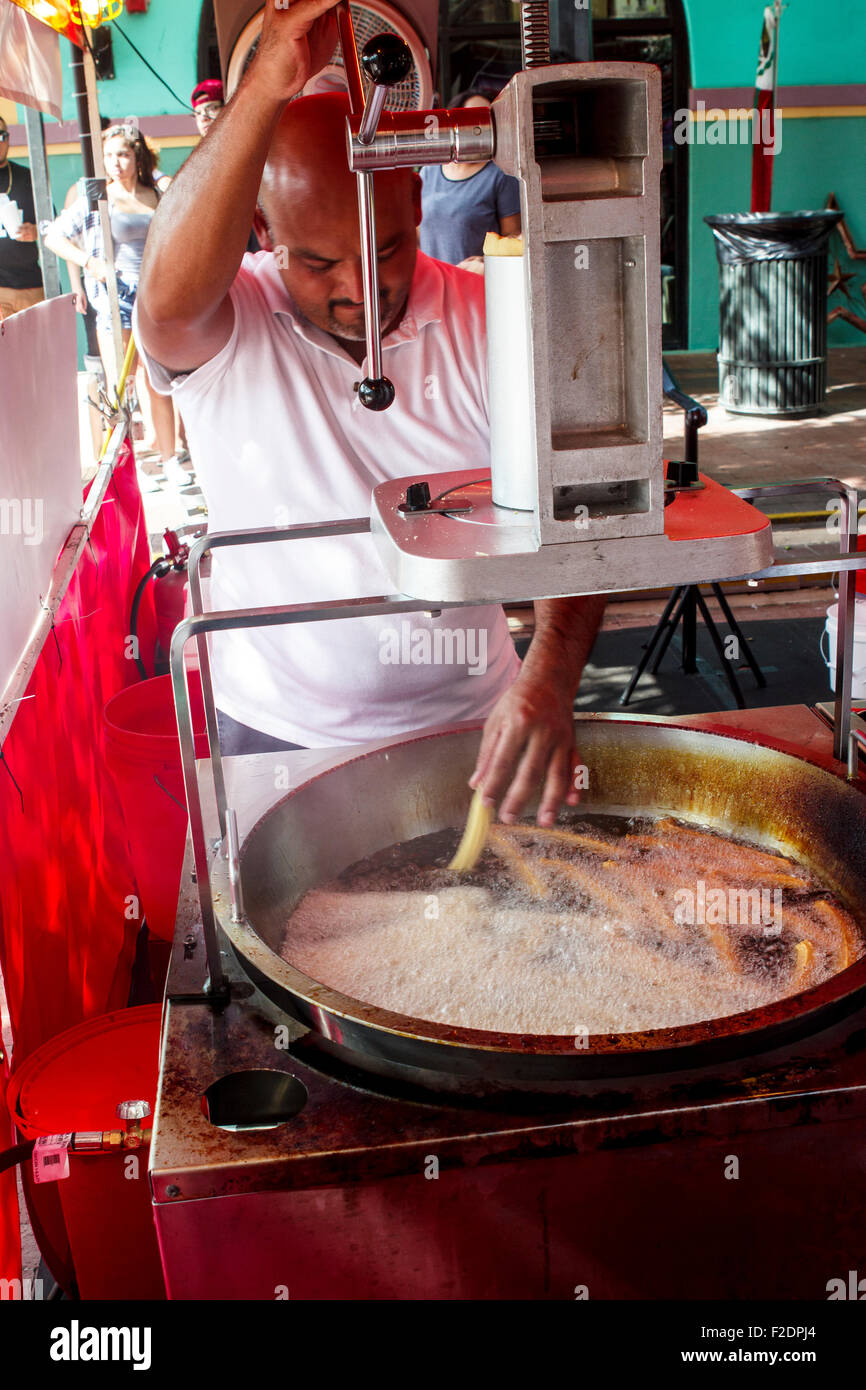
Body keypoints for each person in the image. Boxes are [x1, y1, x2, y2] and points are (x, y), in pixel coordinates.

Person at [135, 0, 605, 828]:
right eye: (318, 262)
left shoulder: (490, 319)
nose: (359, 288)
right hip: (277, 736)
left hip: (473, 727)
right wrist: (260, 93)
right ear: (261, 234)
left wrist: (550, 679)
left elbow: (585, 511)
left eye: (385, 248)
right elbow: (164, 299)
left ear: (418, 209)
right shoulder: (224, 330)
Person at [43, 122, 191, 491]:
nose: (116, 163)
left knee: (156, 382)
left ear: (137, 156)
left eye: (123, 154)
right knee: (120, 385)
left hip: (155, 298)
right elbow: (54, 236)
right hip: (115, 300)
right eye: (109, 156)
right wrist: (90, 263)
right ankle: (128, 467)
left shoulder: (155, 192)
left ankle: (169, 459)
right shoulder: (97, 199)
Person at [419, 89, 521, 275]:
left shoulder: (501, 175)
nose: (478, 127)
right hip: (431, 284)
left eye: (486, 118)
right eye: (471, 118)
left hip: (474, 285)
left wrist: (485, 263)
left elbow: (513, 242)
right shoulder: (429, 171)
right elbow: (418, 232)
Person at [0, 115, 44, 320]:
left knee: (35, 351)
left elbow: (52, 226)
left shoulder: (27, 176)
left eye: (2, 136)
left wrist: (35, 231)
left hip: (31, 285)